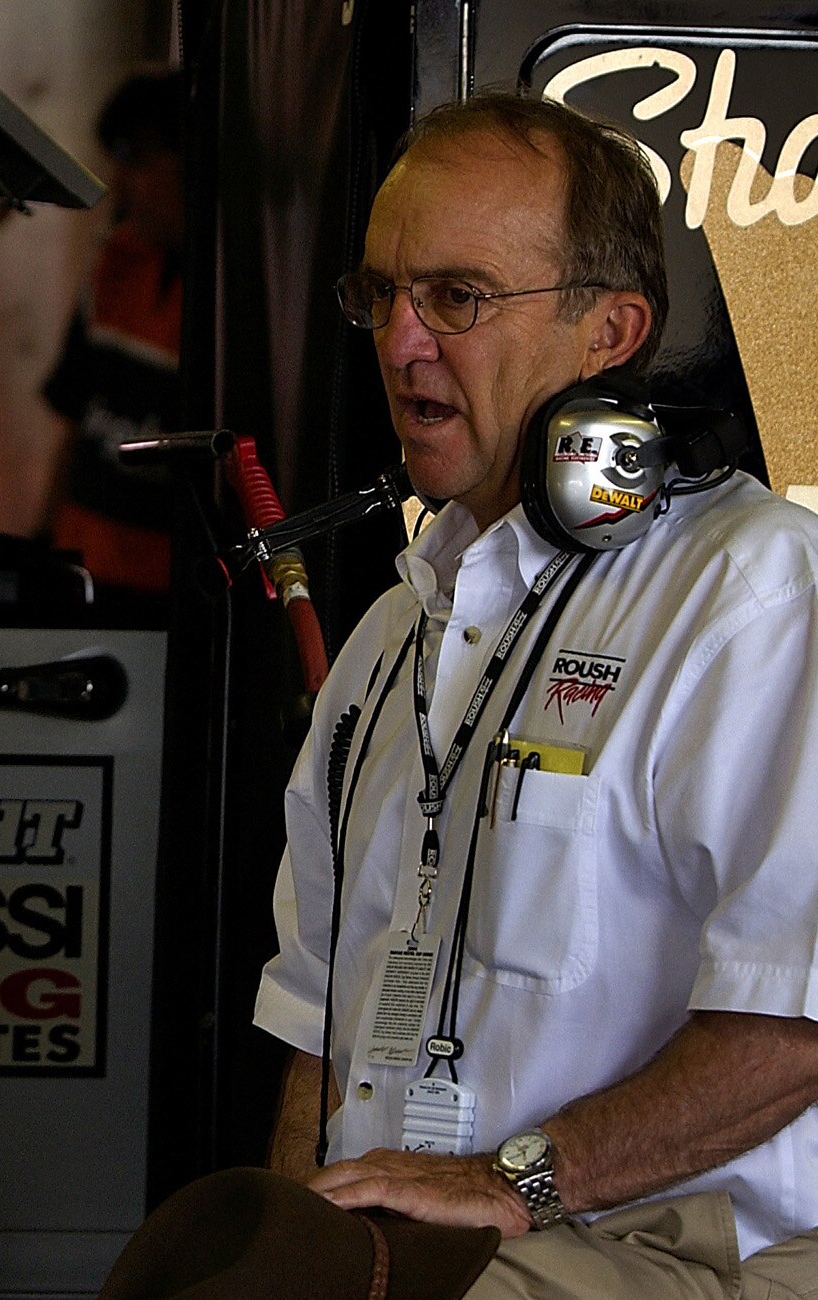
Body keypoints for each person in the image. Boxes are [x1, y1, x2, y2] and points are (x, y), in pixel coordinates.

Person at [251, 92, 818, 1297]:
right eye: (378, 295)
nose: (401, 343)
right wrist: (292, 1242)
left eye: (455, 298)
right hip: (423, 1247)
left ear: (607, 332)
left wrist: (519, 1181)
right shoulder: (392, 635)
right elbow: (316, 1026)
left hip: (676, 1248)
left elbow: (793, 1026)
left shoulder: (747, 590)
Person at [41, 69, 187, 595]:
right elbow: (76, 423)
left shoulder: (237, 301)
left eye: (136, 158)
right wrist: (41, 544)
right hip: (78, 569)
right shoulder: (115, 263)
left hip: (163, 593)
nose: (119, 183)